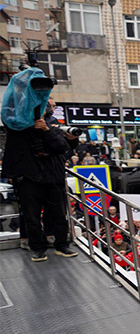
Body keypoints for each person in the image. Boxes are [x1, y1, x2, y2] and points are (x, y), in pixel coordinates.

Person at [6, 99, 79, 261]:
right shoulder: (20, 127)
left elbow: (62, 147)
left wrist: (47, 130)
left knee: (59, 214)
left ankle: (62, 245)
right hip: (30, 178)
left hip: (54, 177)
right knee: (32, 216)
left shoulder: (54, 125)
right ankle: (38, 248)